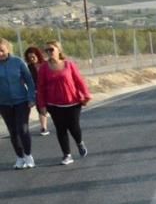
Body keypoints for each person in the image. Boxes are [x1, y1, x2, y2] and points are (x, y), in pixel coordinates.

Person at [36, 41, 92, 166]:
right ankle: (67, 155)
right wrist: (42, 105)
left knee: (74, 128)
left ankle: (79, 142)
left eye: (51, 49)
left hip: (72, 102)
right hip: (54, 104)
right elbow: (41, 87)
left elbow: (79, 81)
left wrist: (86, 95)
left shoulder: (69, 64)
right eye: (46, 51)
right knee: (60, 129)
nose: (49, 52)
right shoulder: (43, 68)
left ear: (59, 50)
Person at [0, 38, 37, 169]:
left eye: (2, 50)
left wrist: (31, 97)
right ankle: (20, 157)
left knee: (23, 128)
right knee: (13, 131)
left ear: (7, 49)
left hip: (21, 101)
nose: (0, 53)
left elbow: (30, 81)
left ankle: (28, 155)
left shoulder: (18, 62)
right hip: (4, 104)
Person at [23, 46, 50, 135]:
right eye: (29, 57)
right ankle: (43, 127)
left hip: (49, 90)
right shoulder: (28, 67)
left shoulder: (45, 64)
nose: (31, 59)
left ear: (38, 56)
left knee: (53, 109)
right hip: (37, 91)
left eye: (33, 57)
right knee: (41, 109)